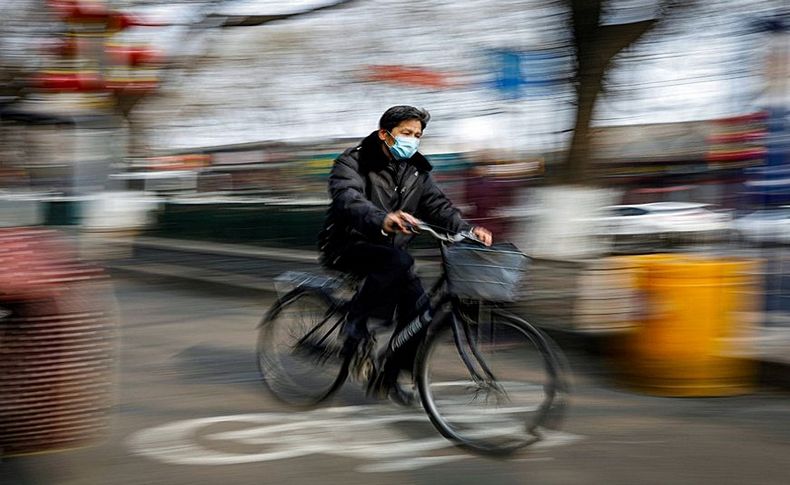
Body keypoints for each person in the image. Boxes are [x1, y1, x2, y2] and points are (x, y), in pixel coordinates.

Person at [318, 105, 492, 404]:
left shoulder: (417, 171)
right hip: (346, 245)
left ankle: (389, 376)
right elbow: (348, 198)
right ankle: (354, 325)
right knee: (399, 262)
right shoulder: (353, 161)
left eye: (417, 135)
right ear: (385, 134)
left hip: (389, 253)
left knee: (420, 313)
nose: (412, 140)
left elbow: (438, 207)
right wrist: (381, 218)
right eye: (406, 133)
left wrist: (467, 230)